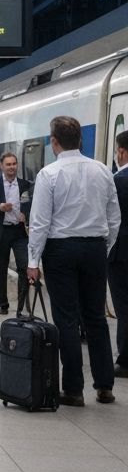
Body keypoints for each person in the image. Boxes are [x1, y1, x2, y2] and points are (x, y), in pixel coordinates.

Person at [28, 116, 120, 405]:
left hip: (61, 252)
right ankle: (105, 386)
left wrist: (33, 260)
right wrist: (103, 247)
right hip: (94, 249)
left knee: (66, 319)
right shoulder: (103, 171)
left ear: (54, 142)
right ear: (80, 140)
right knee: (96, 318)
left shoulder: (48, 174)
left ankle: (73, 389)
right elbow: (114, 217)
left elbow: (40, 221)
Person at [0, 152, 32, 317]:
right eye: (8, 164)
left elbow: (31, 203)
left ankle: (21, 307)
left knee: (24, 267)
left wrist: (26, 214)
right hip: (1, 231)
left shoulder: (25, 185)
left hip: (19, 232)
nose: (12, 167)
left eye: (14, 164)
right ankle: (3, 303)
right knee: (1, 270)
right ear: (2, 166)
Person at [109, 131, 128, 380]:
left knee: (124, 307)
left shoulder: (118, 180)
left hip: (122, 253)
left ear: (122, 151)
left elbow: (110, 219)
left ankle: (125, 360)